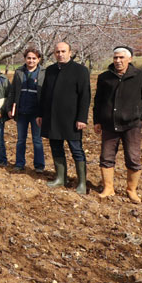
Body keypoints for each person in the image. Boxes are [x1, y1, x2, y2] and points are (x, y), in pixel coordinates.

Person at [93, 46, 142, 203]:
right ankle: (108, 188)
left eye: (121, 58)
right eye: (115, 58)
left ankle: (131, 189)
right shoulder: (104, 77)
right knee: (106, 157)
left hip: (132, 125)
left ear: (130, 59)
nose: (118, 61)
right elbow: (98, 101)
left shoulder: (141, 76)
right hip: (108, 124)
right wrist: (97, 121)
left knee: (133, 158)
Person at [38, 42, 90, 194]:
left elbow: (85, 96)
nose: (60, 54)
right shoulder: (50, 70)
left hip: (72, 119)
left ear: (70, 52)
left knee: (76, 150)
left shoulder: (80, 70)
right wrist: (41, 114)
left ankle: (82, 183)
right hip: (52, 118)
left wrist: (82, 118)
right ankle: (61, 178)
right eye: (57, 52)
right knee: (56, 148)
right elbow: (45, 94)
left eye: (63, 51)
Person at [7, 48, 45, 173]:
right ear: (25, 59)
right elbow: (12, 91)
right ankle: (19, 163)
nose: (31, 60)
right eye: (29, 58)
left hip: (36, 113)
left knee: (37, 140)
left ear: (38, 59)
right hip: (22, 111)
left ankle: (39, 166)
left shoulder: (44, 72)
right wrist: (10, 108)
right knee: (20, 139)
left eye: (34, 58)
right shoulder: (19, 72)